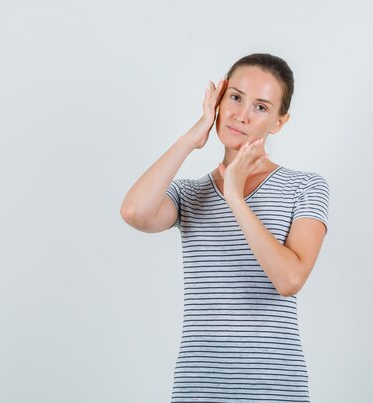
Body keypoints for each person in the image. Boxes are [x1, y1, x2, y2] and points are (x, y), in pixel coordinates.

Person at [120, 53, 330, 402]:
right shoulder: (190, 194)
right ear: (219, 99)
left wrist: (234, 195)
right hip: (198, 387)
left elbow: (289, 279)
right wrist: (192, 137)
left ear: (279, 122)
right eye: (235, 97)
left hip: (275, 389)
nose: (242, 115)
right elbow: (133, 212)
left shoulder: (305, 187)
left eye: (261, 107)